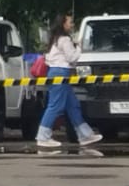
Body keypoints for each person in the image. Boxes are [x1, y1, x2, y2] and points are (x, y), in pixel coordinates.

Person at [35, 13, 103, 157]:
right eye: (70, 22)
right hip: (61, 73)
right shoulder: (65, 40)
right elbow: (72, 58)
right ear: (63, 24)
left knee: (73, 105)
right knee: (55, 105)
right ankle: (43, 136)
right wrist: (78, 48)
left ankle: (85, 135)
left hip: (57, 72)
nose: (71, 25)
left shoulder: (55, 39)